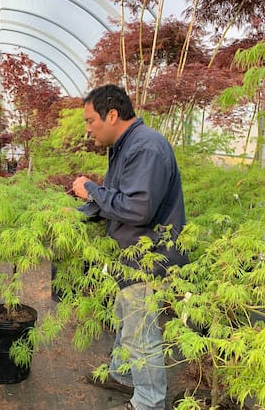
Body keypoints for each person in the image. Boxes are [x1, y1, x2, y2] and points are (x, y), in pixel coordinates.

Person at [72, 84, 188, 410]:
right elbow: (116, 198)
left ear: (112, 114)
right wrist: (75, 216)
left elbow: (137, 209)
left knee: (141, 334)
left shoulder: (146, 148)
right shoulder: (125, 147)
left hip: (149, 258)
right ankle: (123, 376)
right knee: (126, 319)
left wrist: (91, 190)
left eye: (90, 120)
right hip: (130, 255)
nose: (88, 128)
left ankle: (148, 403)